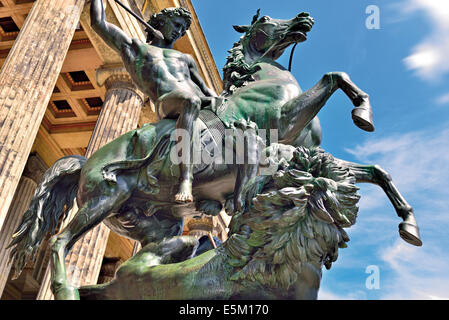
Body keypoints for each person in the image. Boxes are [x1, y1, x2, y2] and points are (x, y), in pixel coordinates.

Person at [91, 0, 219, 202]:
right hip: (169, 103)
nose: (179, 32)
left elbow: (206, 90)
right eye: (176, 25)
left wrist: (222, 102)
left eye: (183, 29)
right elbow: (99, 23)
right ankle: (186, 178)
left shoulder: (185, 58)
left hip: (195, 103)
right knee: (190, 101)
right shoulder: (137, 48)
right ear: (161, 21)